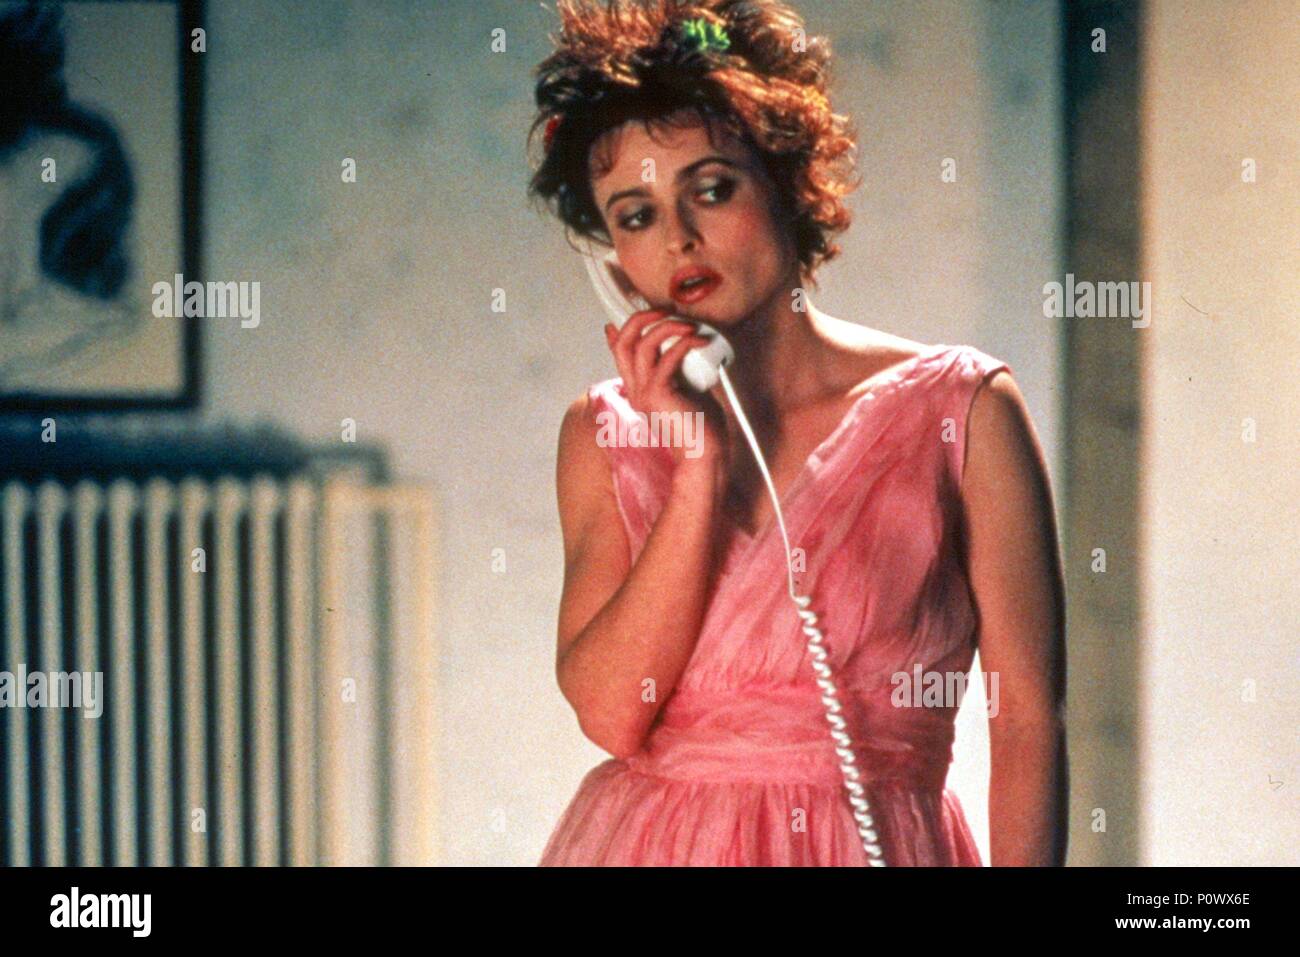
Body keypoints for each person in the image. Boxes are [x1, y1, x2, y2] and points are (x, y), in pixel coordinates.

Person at [527, 0, 1067, 866]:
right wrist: (696, 471)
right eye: (635, 215)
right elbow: (609, 713)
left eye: (711, 189)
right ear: (610, 258)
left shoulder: (964, 409)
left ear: (785, 177)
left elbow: (1029, 721)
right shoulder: (606, 434)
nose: (679, 238)